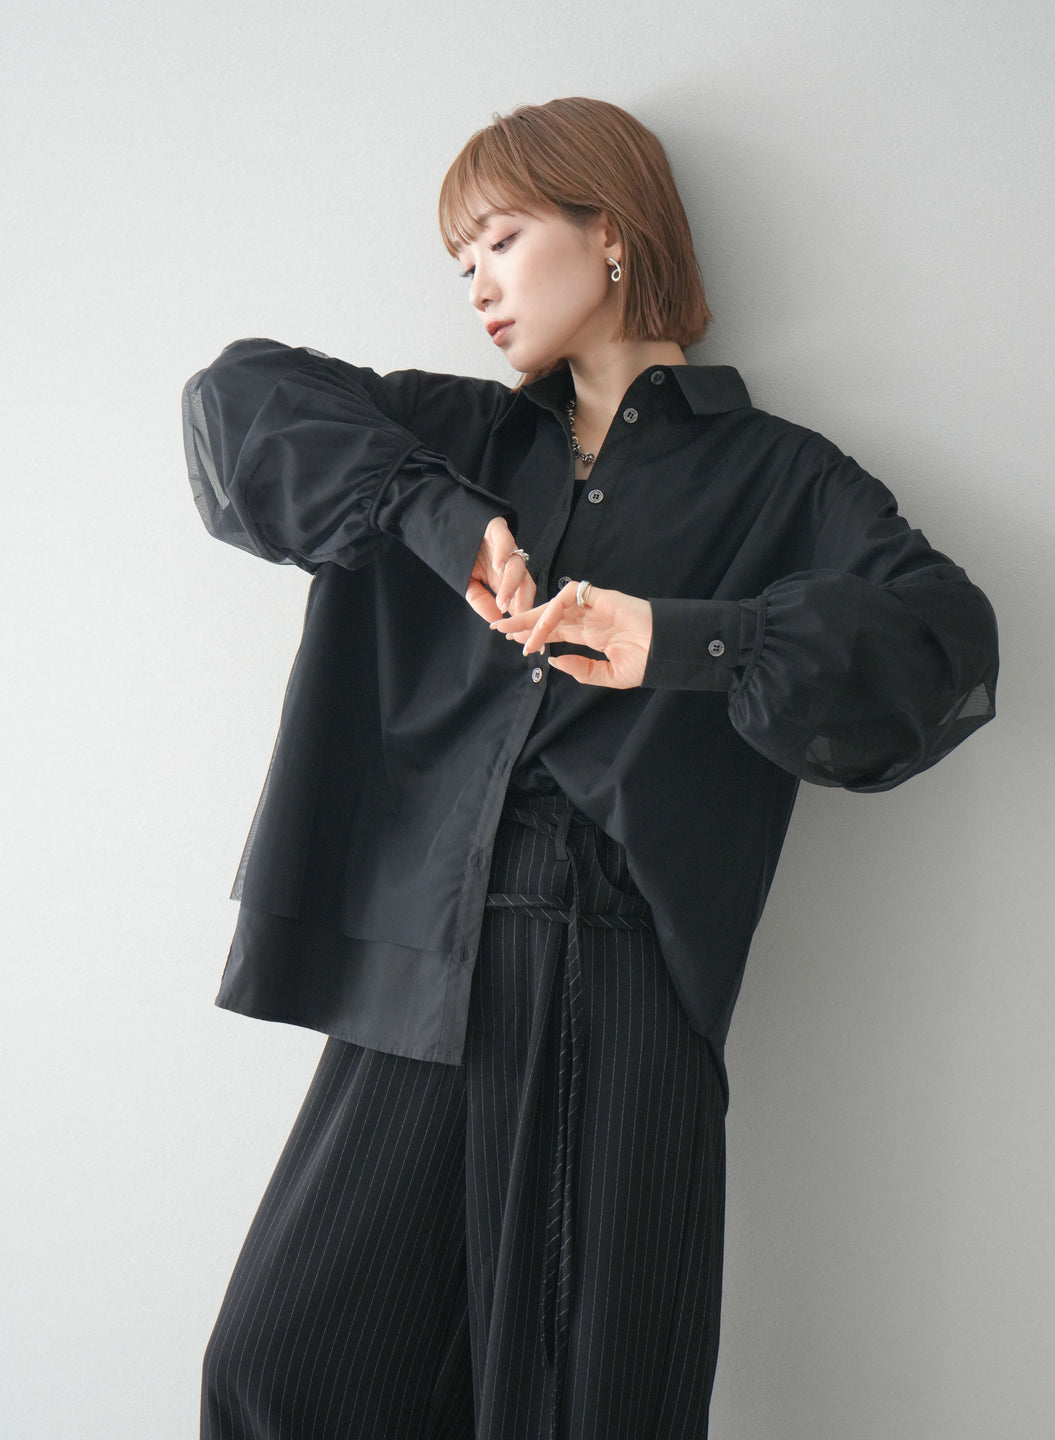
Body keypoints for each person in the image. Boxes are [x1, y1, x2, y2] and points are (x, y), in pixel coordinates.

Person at [183, 97, 998, 1440]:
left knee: (585, 1405)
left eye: (500, 241)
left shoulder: (784, 480)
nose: (477, 286)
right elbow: (236, 402)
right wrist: (437, 516)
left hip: (625, 974)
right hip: (427, 962)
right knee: (278, 1371)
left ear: (608, 232)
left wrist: (687, 640)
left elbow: (944, 647)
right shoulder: (449, 440)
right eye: (462, 261)